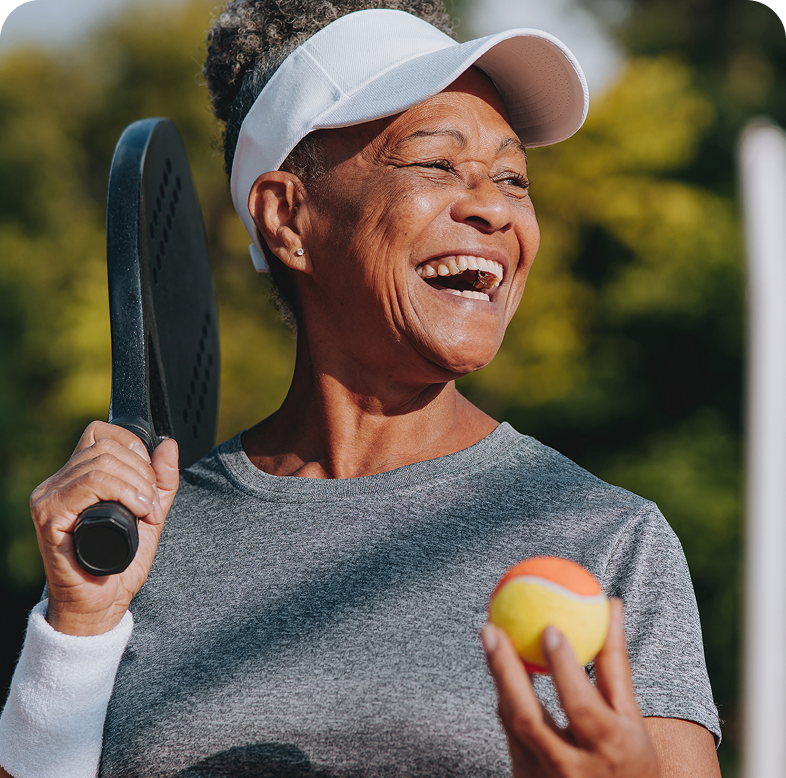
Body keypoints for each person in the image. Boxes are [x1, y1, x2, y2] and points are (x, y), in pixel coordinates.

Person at [0, 1, 722, 776]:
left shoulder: (607, 537)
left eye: (513, 177)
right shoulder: (136, 540)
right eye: (436, 163)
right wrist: (75, 628)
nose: (491, 206)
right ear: (286, 216)